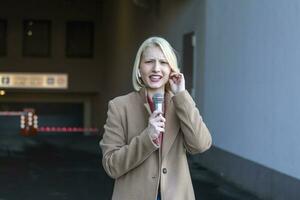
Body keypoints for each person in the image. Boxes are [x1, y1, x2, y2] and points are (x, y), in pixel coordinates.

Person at [100, 36, 212, 200]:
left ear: (172, 69)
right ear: (139, 68)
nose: (156, 68)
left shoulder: (180, 104)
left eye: (163, 62)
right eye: (149, 62)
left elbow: (201, 145)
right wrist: (147, 137)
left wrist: (181, 94)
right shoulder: (119, 107)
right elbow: (111, 166)